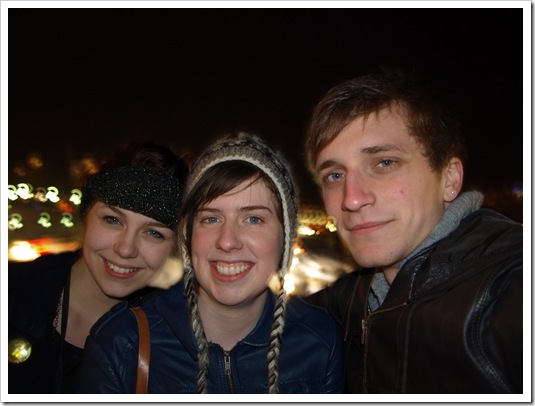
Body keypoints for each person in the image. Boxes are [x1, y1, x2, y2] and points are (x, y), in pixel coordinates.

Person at [304, 69, 523, 393]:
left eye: (384, 163)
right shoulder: (353, 298)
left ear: (449, 178)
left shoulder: (510, 293)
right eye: (335, 175)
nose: (351, 199)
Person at [77, 132, 343, 394]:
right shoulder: (121, 344)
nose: (227, 241)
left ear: (285, 237)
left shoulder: (320, 339)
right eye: (211, 219)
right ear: (188, 236)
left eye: (253, 219)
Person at [8, 141, 188, 394]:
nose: (126, 249)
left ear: (173, 247)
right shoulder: (11, 293)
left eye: (154, 233)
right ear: (86, 216)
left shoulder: (176, 345)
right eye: (112, 220)